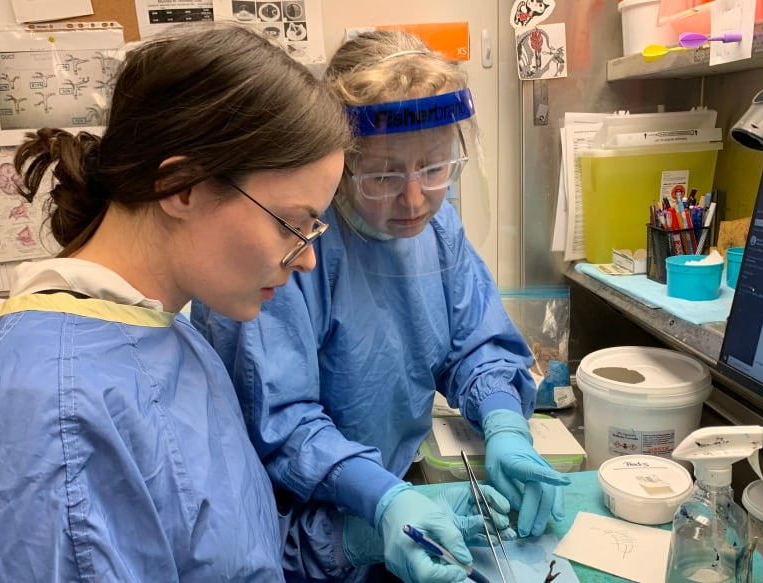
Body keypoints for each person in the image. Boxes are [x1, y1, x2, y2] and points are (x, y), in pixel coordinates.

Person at [193, 30, 570, 583]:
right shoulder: (292, 247)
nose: (414, 199)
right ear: (340, 165)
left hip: (390, 501)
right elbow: (281, 419)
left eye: (434, 169)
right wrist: (381, 499)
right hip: (293, 531)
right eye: (384, 176)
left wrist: (505, 424)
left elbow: (475, 344)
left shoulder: (437, 228)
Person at [0, 22, 352, 581]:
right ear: (181, 186)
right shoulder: (55, 410)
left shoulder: (169, 334)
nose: (306, 259)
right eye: (293, 224)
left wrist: (351, 541)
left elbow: (223, 552)